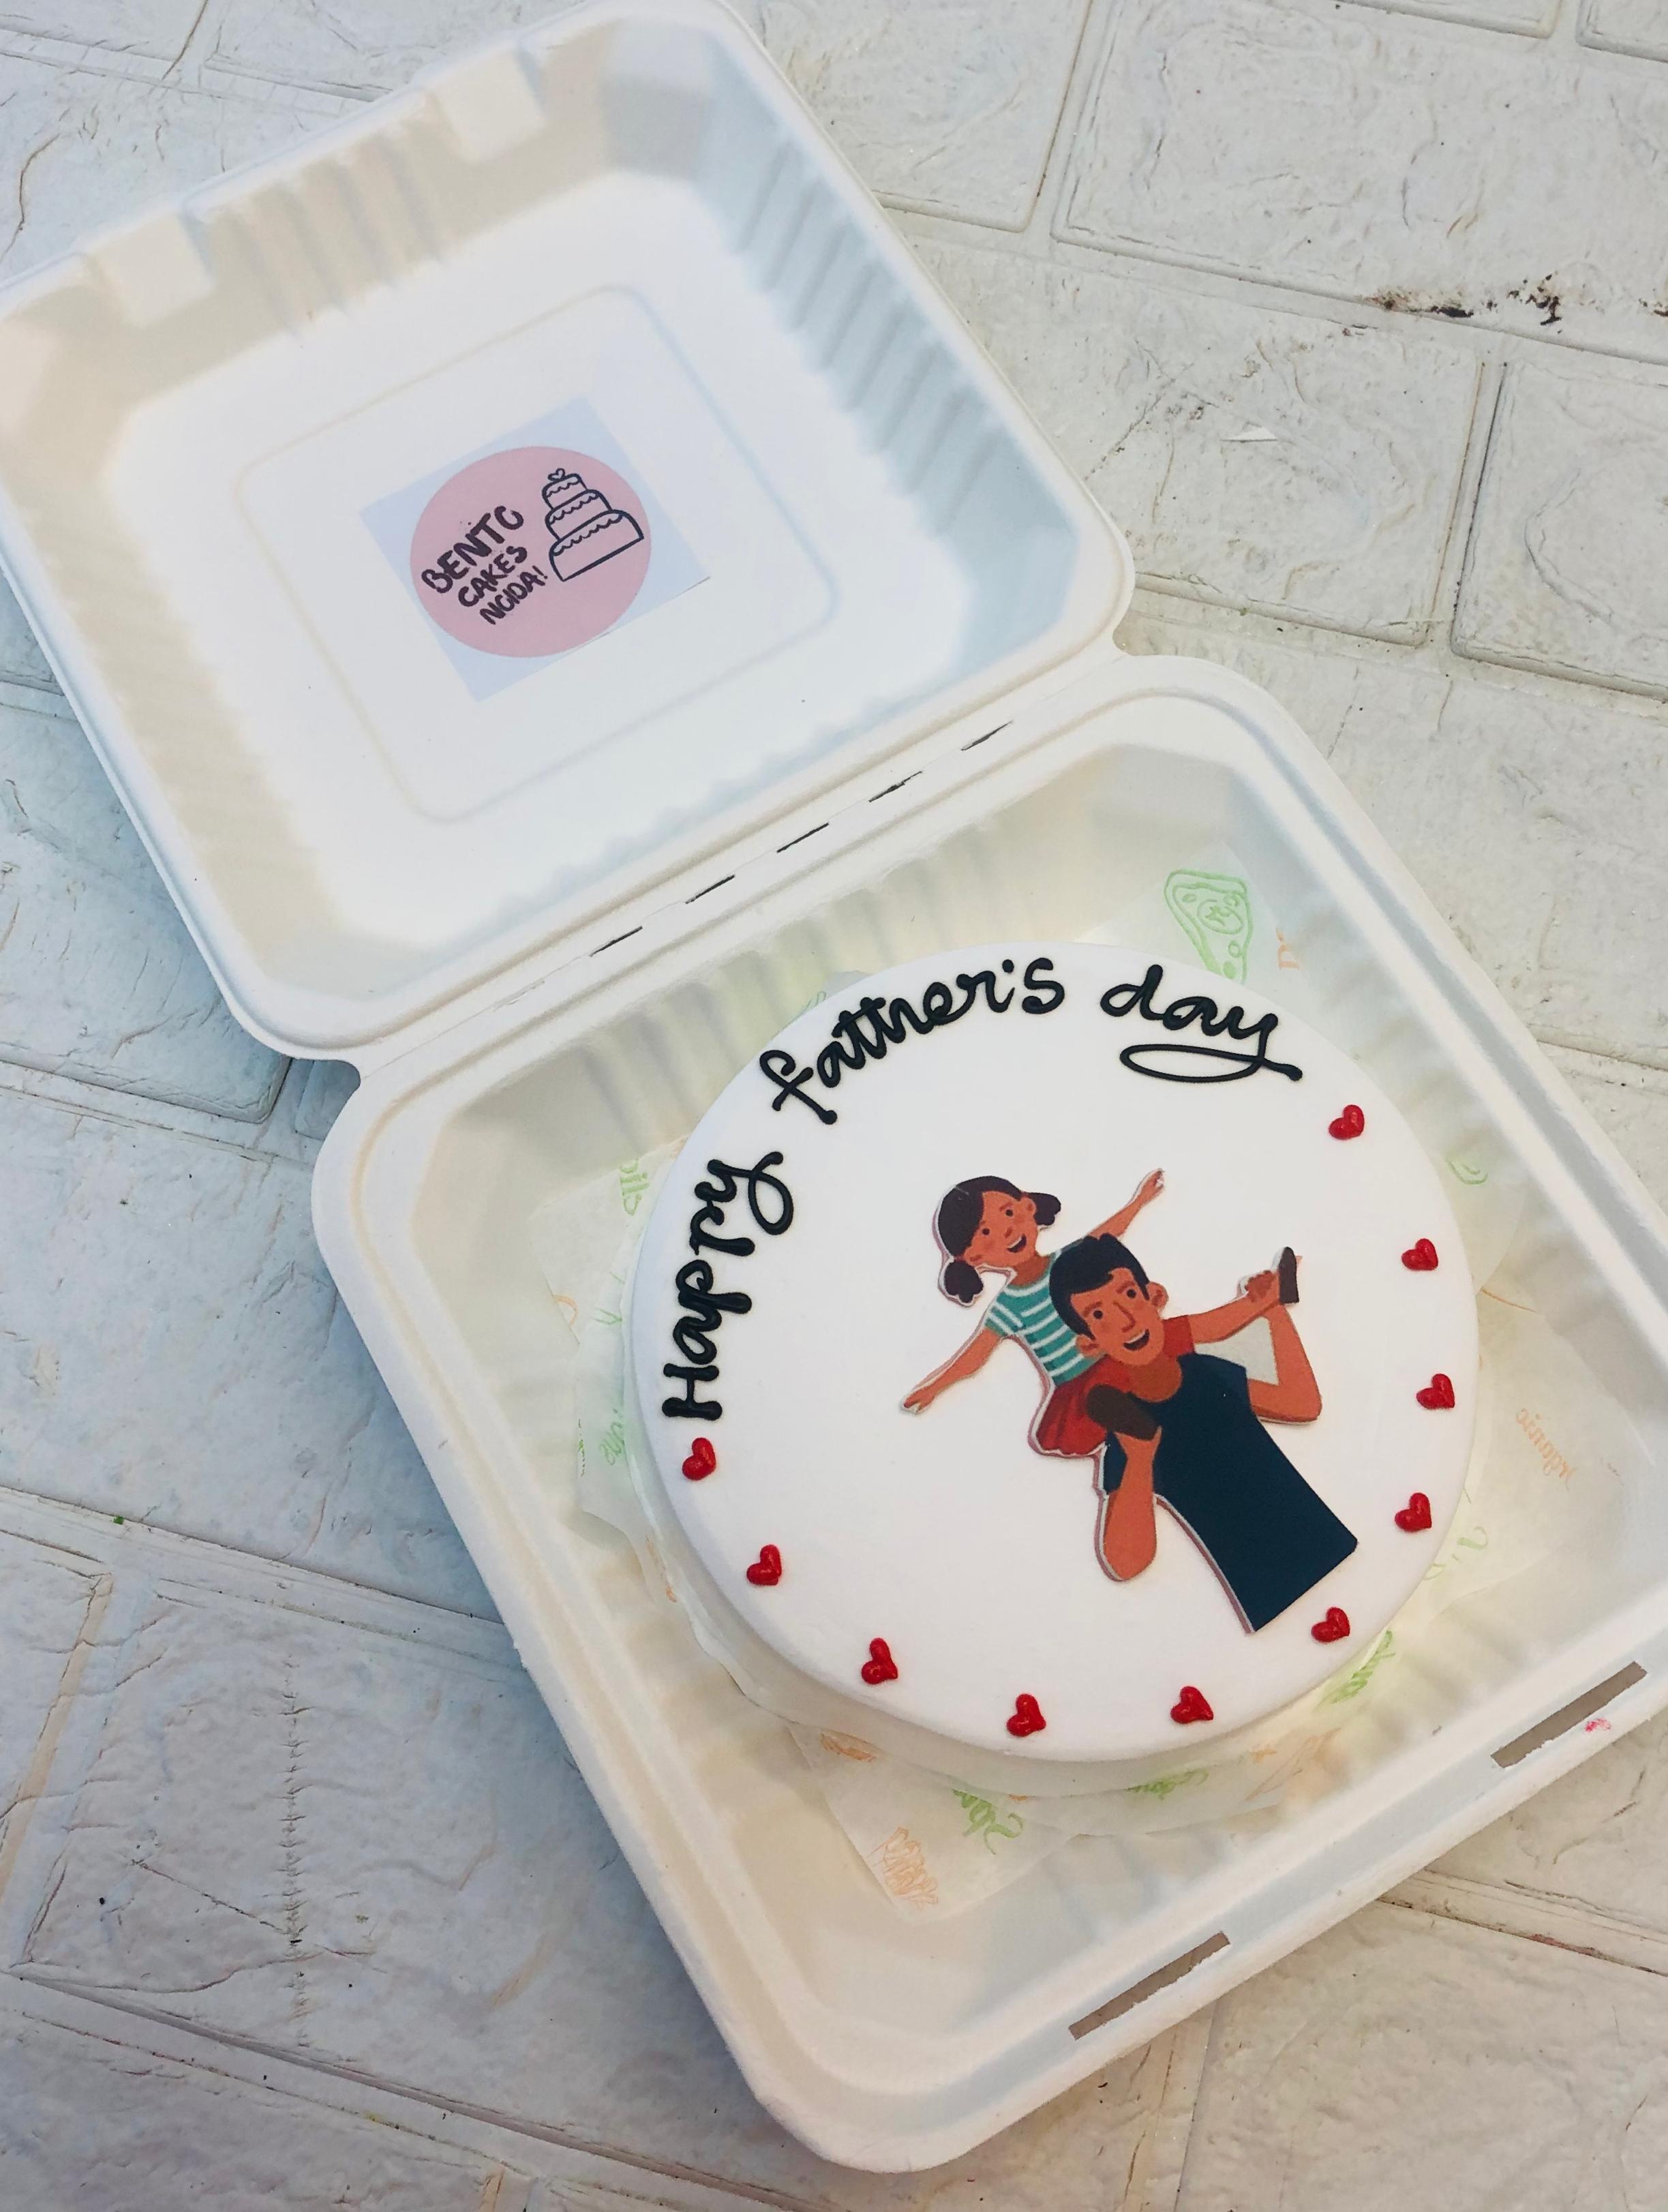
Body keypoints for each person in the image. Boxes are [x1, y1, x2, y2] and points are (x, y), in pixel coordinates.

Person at [1049, 1233, 1356, 1629]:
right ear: (1089, 1344)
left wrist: (1275, 1312)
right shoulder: (1128, 1435)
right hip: (1268, 1587)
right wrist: (1141, 1458)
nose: (1125, 1321)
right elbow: (1127, 1560)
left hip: (1320, 1537)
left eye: (1127, 1295)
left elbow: (1301, 1404)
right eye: (1098, 1315)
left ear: (1155, 1296)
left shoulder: (1204, 1371)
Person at [903, 1169, 1272, 1461]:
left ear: (1028, 1206)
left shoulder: (1074, 1261)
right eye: (987, 1233)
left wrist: (1139, 1201)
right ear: (974, 1258)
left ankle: (1260, 1304)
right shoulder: (1008, 1307)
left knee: (1171, 1339)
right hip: (1085, 1383)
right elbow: (977, 1354)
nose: (1009, 1232)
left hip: (1125, 1355)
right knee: (1112, 1396)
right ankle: (1130, 1425)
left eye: (1009, 1214)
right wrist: (934, 1387)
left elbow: (1107, 1235)